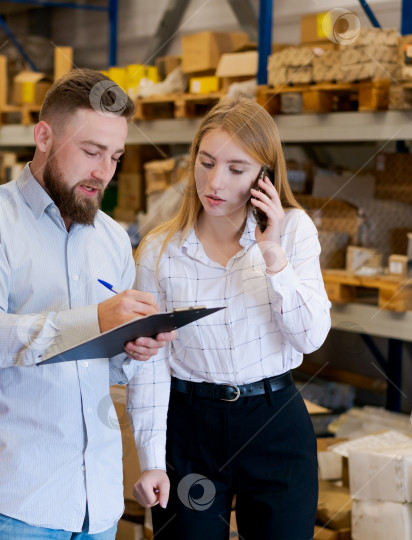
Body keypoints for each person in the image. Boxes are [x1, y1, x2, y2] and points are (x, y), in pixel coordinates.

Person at [0, 69, 175, 540]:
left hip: (97, 504)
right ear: (43, 136)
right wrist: (96, 319)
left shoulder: (109, 237)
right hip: (18, 500)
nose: (104, 171)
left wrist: (129, 349)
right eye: (90, 152)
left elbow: (102, 369)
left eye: (115, 156)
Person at [127, 97, 331, 540]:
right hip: (189, 430)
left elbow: (310, 337)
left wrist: (272, 252)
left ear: (265, 176)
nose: (214, 182)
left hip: (274, 423)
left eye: (236, 170)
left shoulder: (294, 231)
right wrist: (151, 460)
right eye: (206, 162)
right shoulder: (160, 251)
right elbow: (150, 363)